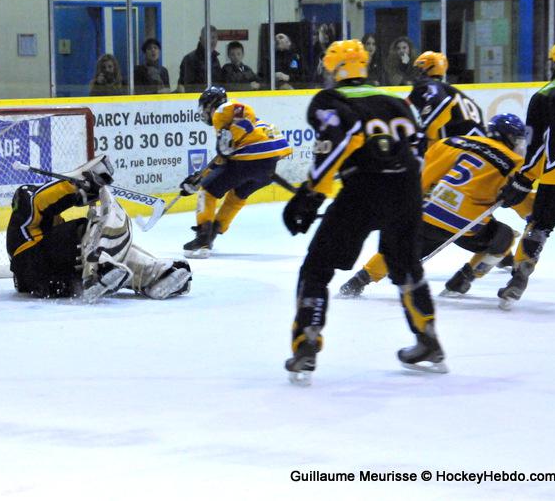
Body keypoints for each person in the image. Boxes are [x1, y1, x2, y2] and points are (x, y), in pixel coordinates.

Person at [282, 39, 446, 385]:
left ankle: (307, 343)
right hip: (406, 191)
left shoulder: (330, 100)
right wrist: (408, 187)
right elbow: (419, 146)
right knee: (405, 267)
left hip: (363, 190)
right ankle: (428, 339)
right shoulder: (397, 102)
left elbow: (343, 140)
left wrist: (310, 194)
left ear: (335, 69)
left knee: (317, 267)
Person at [339, 113, 531, 298]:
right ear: (511, 138)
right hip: (466, 224)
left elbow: (424, 177)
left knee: (401, 248)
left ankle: (358, 281)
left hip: (430, 212)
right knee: (504, 236)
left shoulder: (453, 142)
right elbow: (525, 205)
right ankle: (463, 279)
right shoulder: (515, 162)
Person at [6, 154, 192, 302]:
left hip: (54, 283)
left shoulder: (53, 229)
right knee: (85, 228)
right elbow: (35, 198)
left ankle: (155, 275)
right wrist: (74, 188)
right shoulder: (25, 203)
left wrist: (83, 190)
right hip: (31, 269)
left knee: (110, 253)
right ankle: (97, 271)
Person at [494, 40, 555, 309]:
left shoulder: (545, 95)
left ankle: (519, 276)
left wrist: (523, 179)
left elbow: (535, 144)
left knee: (541, 225)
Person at [179, 86, 291, 258]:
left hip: (250, 159)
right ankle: (213, 233)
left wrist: (233, 134)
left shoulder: (223, 111)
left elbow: (243, 110)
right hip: (268, 167)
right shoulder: (230, 124)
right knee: (237, 196)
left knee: (207, 192)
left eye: (204, 108)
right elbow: (223, 159)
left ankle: (202, 238)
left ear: (211, 105)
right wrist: (199, 177)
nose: (203, 113)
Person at [408, 51, 486, 147]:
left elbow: (440, 102)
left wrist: (420, 134)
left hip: (461, 146)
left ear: (430, 68)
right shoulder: (452, 91)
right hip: (480, 144)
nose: (417, 74)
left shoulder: (430, 84)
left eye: (420, 69)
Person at [177, 26, 222, 93]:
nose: (211, 41)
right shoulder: (190, 59)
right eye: (208, 38)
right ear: (201, 39)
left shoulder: (215, 59)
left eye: (213, 38)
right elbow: (183, 86)